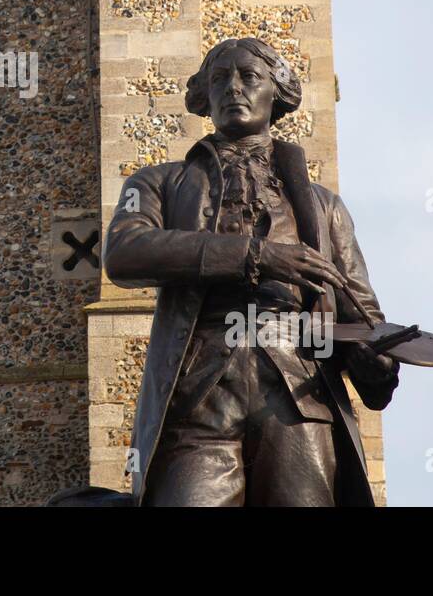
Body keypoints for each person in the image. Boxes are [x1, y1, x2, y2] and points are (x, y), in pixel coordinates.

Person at [103, 37, 399, 506]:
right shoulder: (159, 183)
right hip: (198, 396)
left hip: (299, 397)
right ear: (204, 95)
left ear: (275, 93)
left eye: (249, 77)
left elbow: (363, 318)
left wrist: (377, 365)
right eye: (220, 79)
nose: (233, 88)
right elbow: (123, 252)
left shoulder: (323, 207)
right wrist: (255, 255)